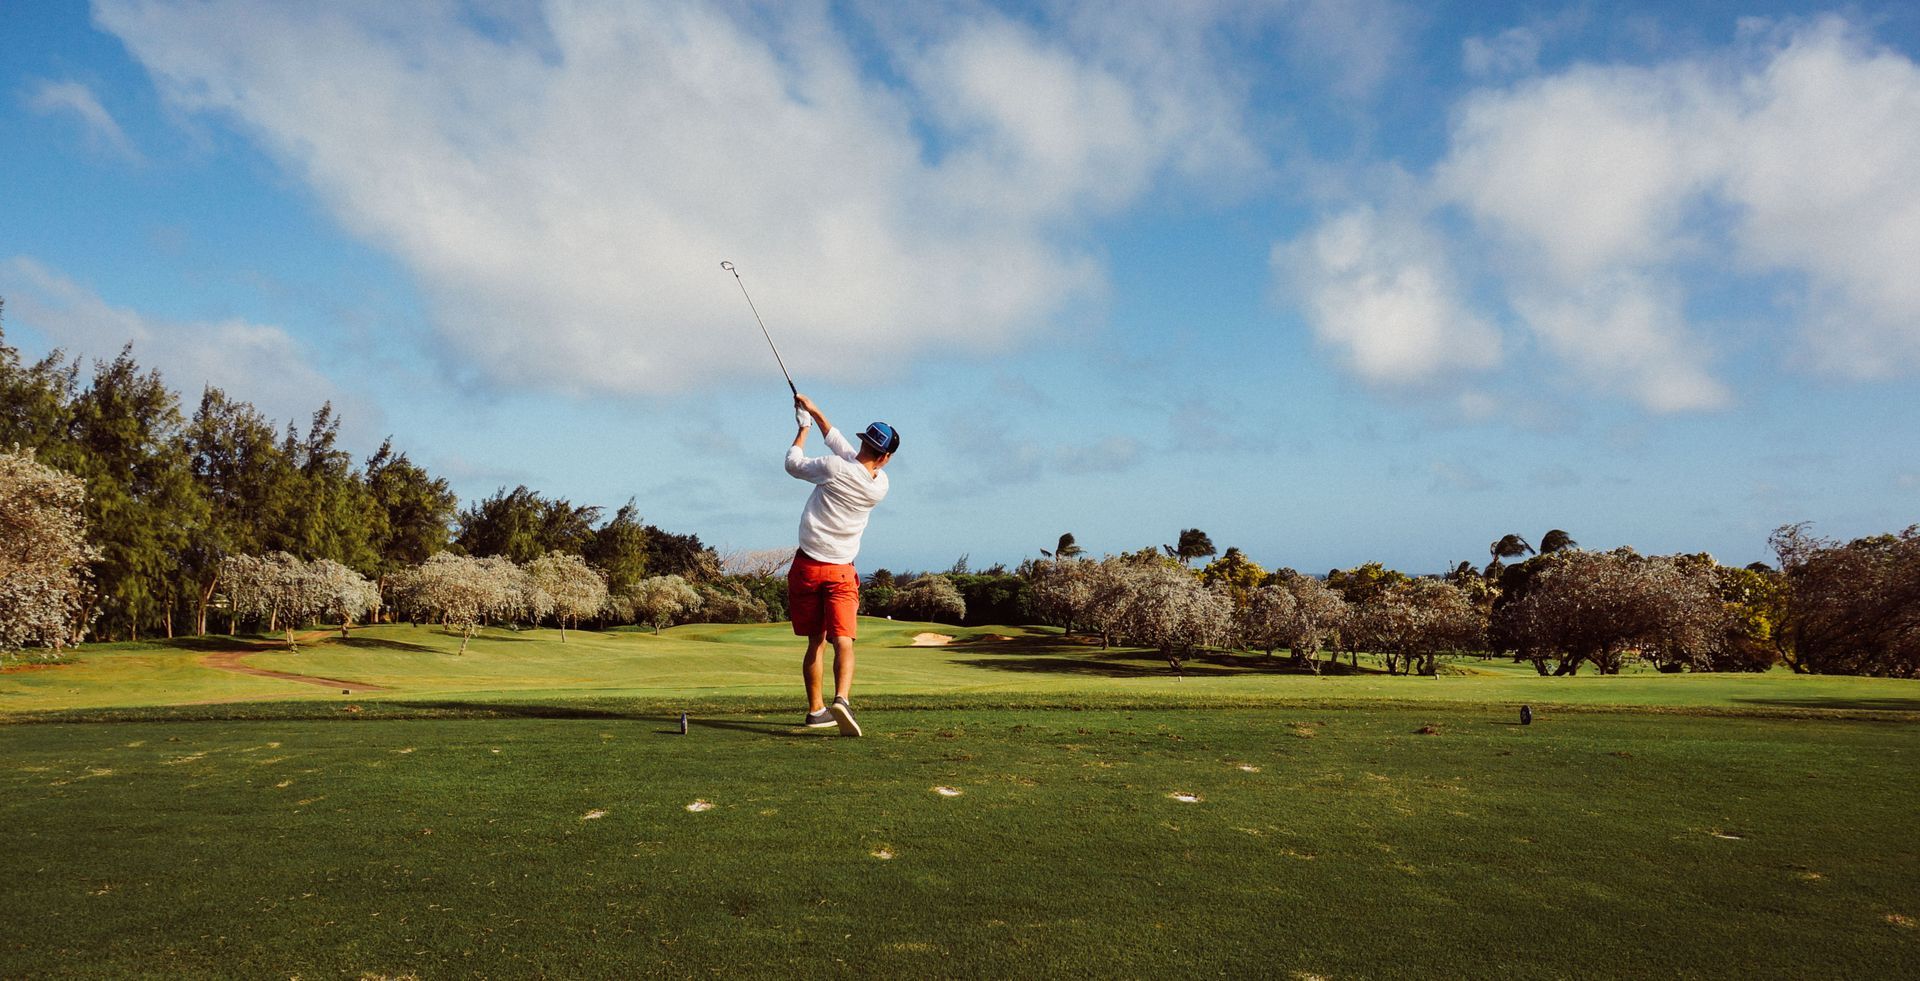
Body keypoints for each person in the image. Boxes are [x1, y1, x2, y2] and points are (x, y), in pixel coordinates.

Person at [784, 393, 898, 736]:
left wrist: (803, 429)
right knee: (844, 639)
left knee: (815, 642)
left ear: (864, 442)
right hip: (841, 572)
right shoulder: (881, 485)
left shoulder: (833, 468)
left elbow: (793, 463)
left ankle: (816, 710)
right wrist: (815, 412)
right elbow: (844, 449)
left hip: (806, 567)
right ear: (886, 457)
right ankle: (842, 700)